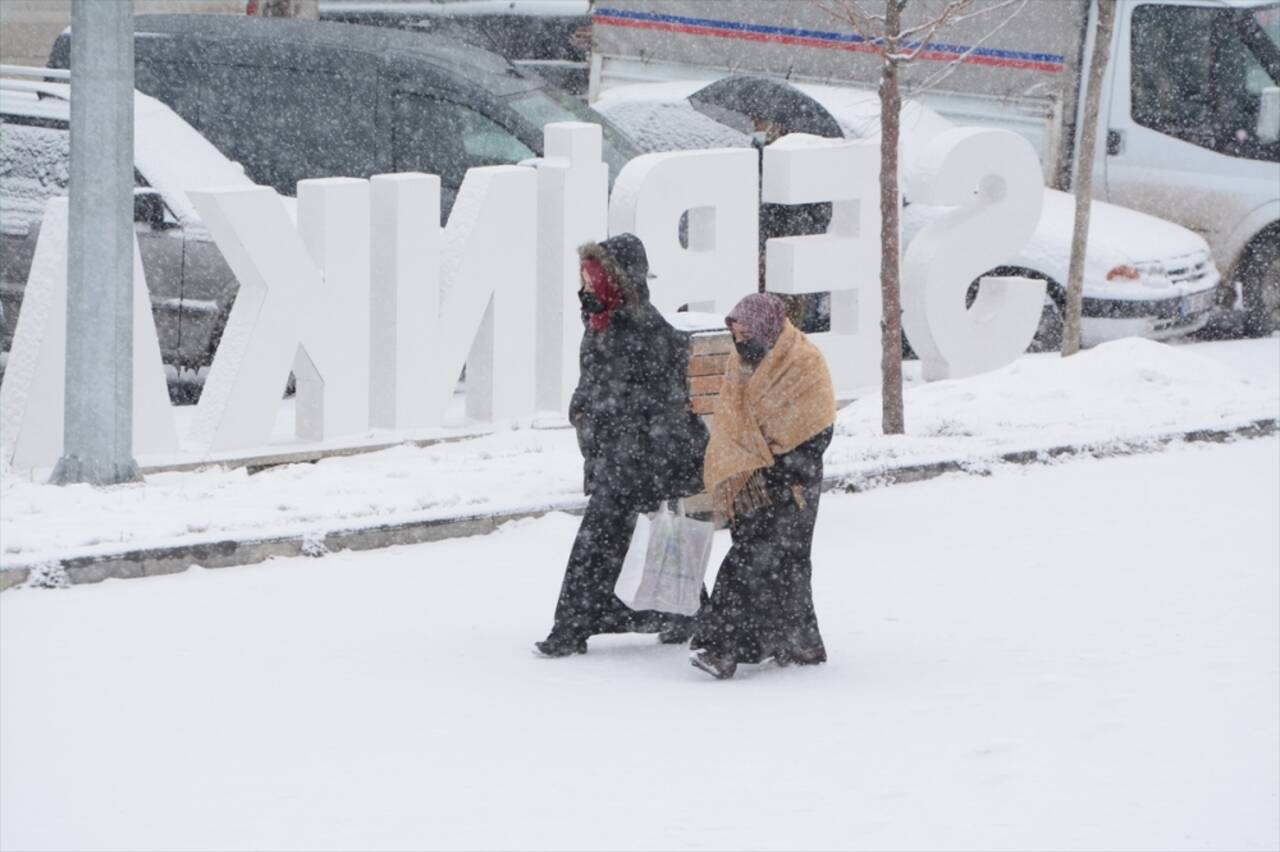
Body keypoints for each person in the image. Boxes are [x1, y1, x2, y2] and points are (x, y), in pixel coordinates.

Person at [535, 234, 710, 657]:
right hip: (617, 456)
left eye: (592, 279)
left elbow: (663, 404)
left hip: (638, 460)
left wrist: (625, 444)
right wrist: (583, 412)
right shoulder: (602, 322)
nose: (586, 288)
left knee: (599, 544)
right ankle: (689, 615)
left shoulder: (647, 331)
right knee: (647, 541)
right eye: (584, 279)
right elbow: (596, 387)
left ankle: (571, 630)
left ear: (616, 281)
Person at [690, 293, 836, 679]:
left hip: (795, 483)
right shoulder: (741, 366)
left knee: (753, 562)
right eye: (735, 333)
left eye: (746, 332)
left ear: (768, 328)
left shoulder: (804, 362)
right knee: (782, 565)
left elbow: (819, 424)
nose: (740, 341)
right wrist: (747, 464)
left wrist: (785, 469)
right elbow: (731, 420)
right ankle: (801, 644)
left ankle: (722, 648)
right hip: (750, 478)